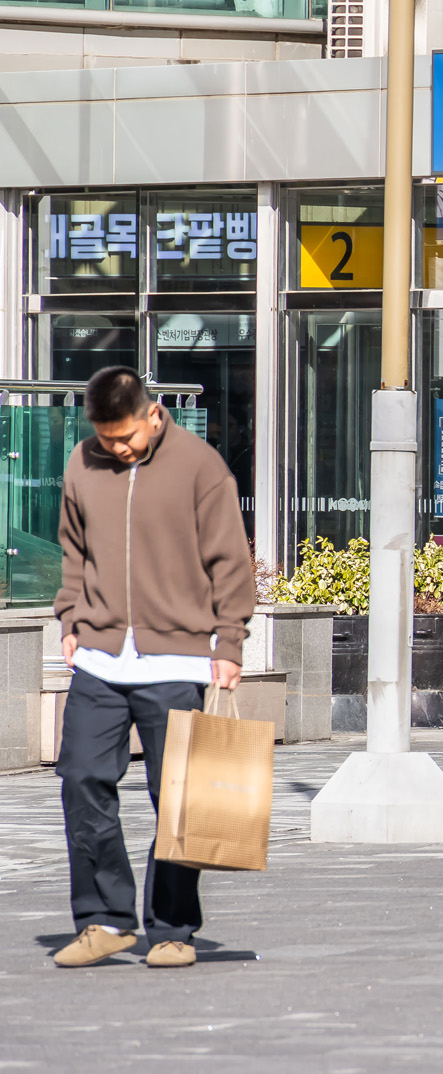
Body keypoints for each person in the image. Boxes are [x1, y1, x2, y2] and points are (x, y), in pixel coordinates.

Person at [49, 366, 255, 970]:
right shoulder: (82, 464)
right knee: (81, 779)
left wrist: (230, 645)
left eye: (125, 437)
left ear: (152, 413)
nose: (116, 448)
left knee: (179, 801)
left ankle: (172, 928)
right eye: (105, 438)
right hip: (99, 656)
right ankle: (104, 921)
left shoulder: (199, 466)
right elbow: (73, 549)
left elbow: (229, 560)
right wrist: (69, 619)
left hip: (177, 658)